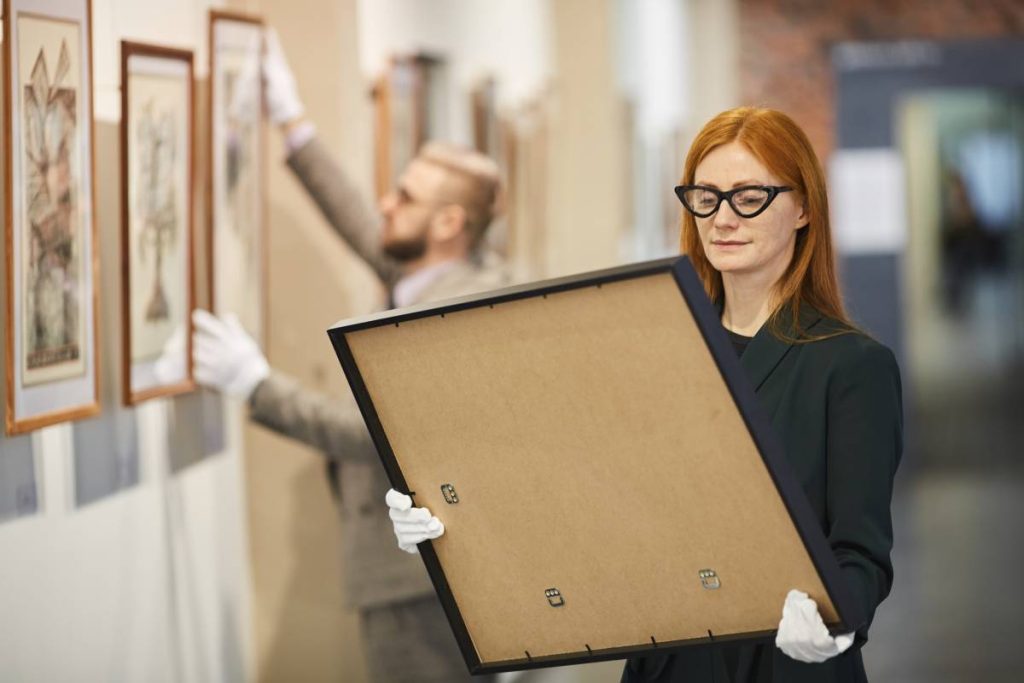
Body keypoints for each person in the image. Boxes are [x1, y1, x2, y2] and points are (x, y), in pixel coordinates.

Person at [387, 106, 903, 683]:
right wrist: (454, 525)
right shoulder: (656, 346)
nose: (723, 218)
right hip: (669, 663)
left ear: (803, 207)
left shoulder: (852, 365)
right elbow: (589, 502)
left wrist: (834, 621)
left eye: (749, 196)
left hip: (785, 665)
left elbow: (862, 555)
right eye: (705, 197)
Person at [192, 29, 509, 683]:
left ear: (448, 224)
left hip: (420, 583)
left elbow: (376, 430)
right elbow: (364, 224)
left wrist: (256, 384)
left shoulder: (457, 308)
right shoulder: (435, 276)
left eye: (406, 196)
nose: (385, 205)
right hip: (412, 576)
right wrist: (293, 122)